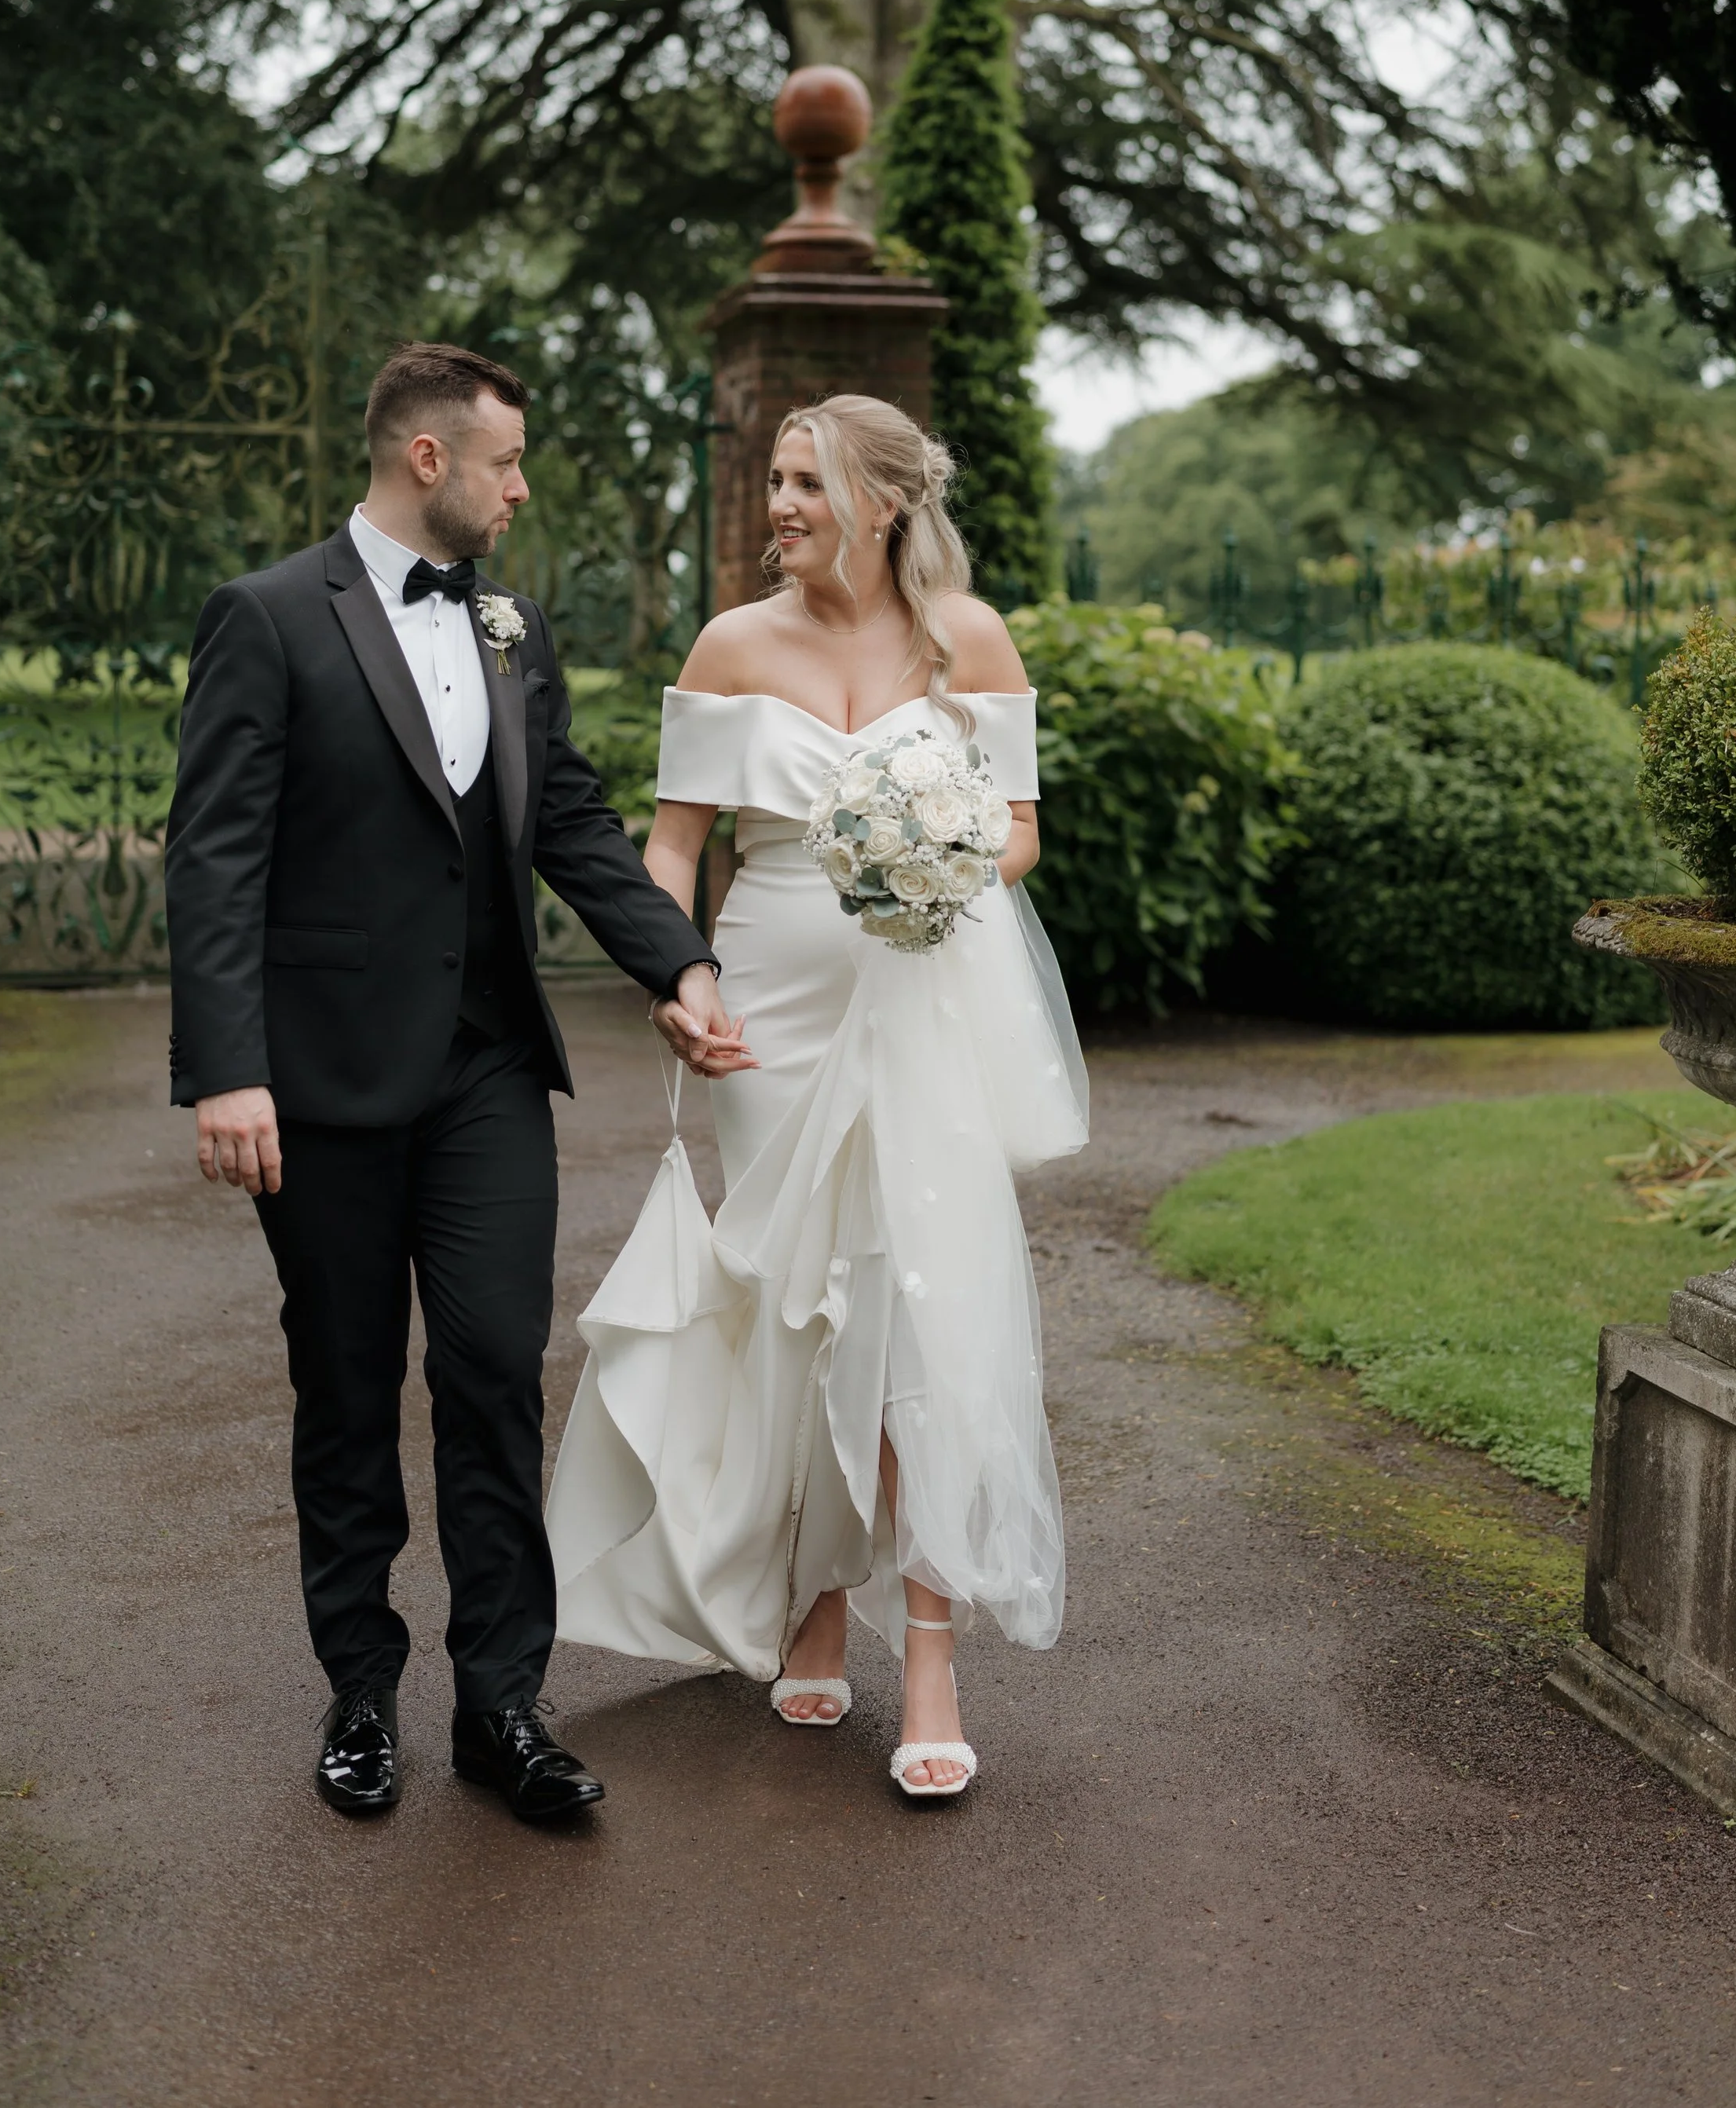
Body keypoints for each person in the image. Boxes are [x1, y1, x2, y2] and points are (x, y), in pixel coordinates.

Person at [163, 341, 732, 1825]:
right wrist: (228, 1072)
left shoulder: (509, 625)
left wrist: (675, 961)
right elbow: (216, 858)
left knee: (489, 1370)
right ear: (430, 458)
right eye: (507, 463)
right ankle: (360, 1689)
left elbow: (578, 823)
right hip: (326, 1083)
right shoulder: (269, 618)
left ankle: (503, 1705)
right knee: (346, 1390)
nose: (520, 487)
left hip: (485, 1071)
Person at [548, 393, 1087, 1799]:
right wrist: (679, 983)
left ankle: (925, 1650)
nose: (778, 503)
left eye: (806, 481)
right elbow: (671, 850)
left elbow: (1020, 829)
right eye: (774, 479)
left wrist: (942, 859)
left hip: (920, 993)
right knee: (800, 1303)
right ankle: (810, 1602)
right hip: (772, 1007)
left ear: (885, 500)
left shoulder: (964, 636)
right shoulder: (733, 644)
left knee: (917, 1306)